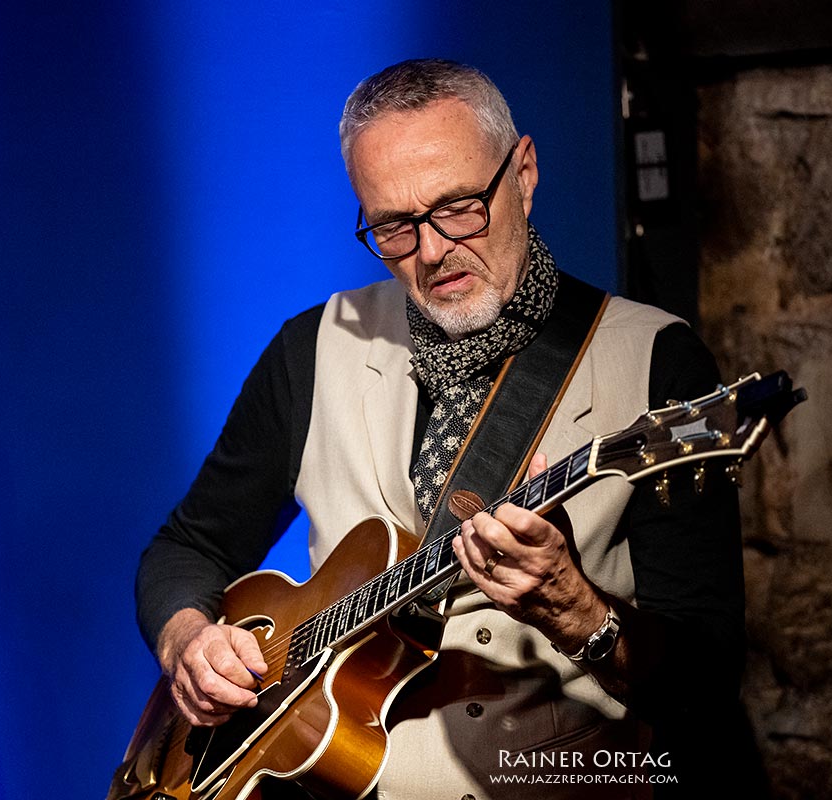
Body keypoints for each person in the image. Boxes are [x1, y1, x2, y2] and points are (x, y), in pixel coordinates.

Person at [135, 58, 744, 798]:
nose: (431, 252)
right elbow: (189, 547)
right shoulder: (314, 347)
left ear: (523, 173)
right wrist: (189, 643)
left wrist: (574, 608)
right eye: (393, 225)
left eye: (459, 207)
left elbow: (705, 682)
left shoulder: (658, 361)